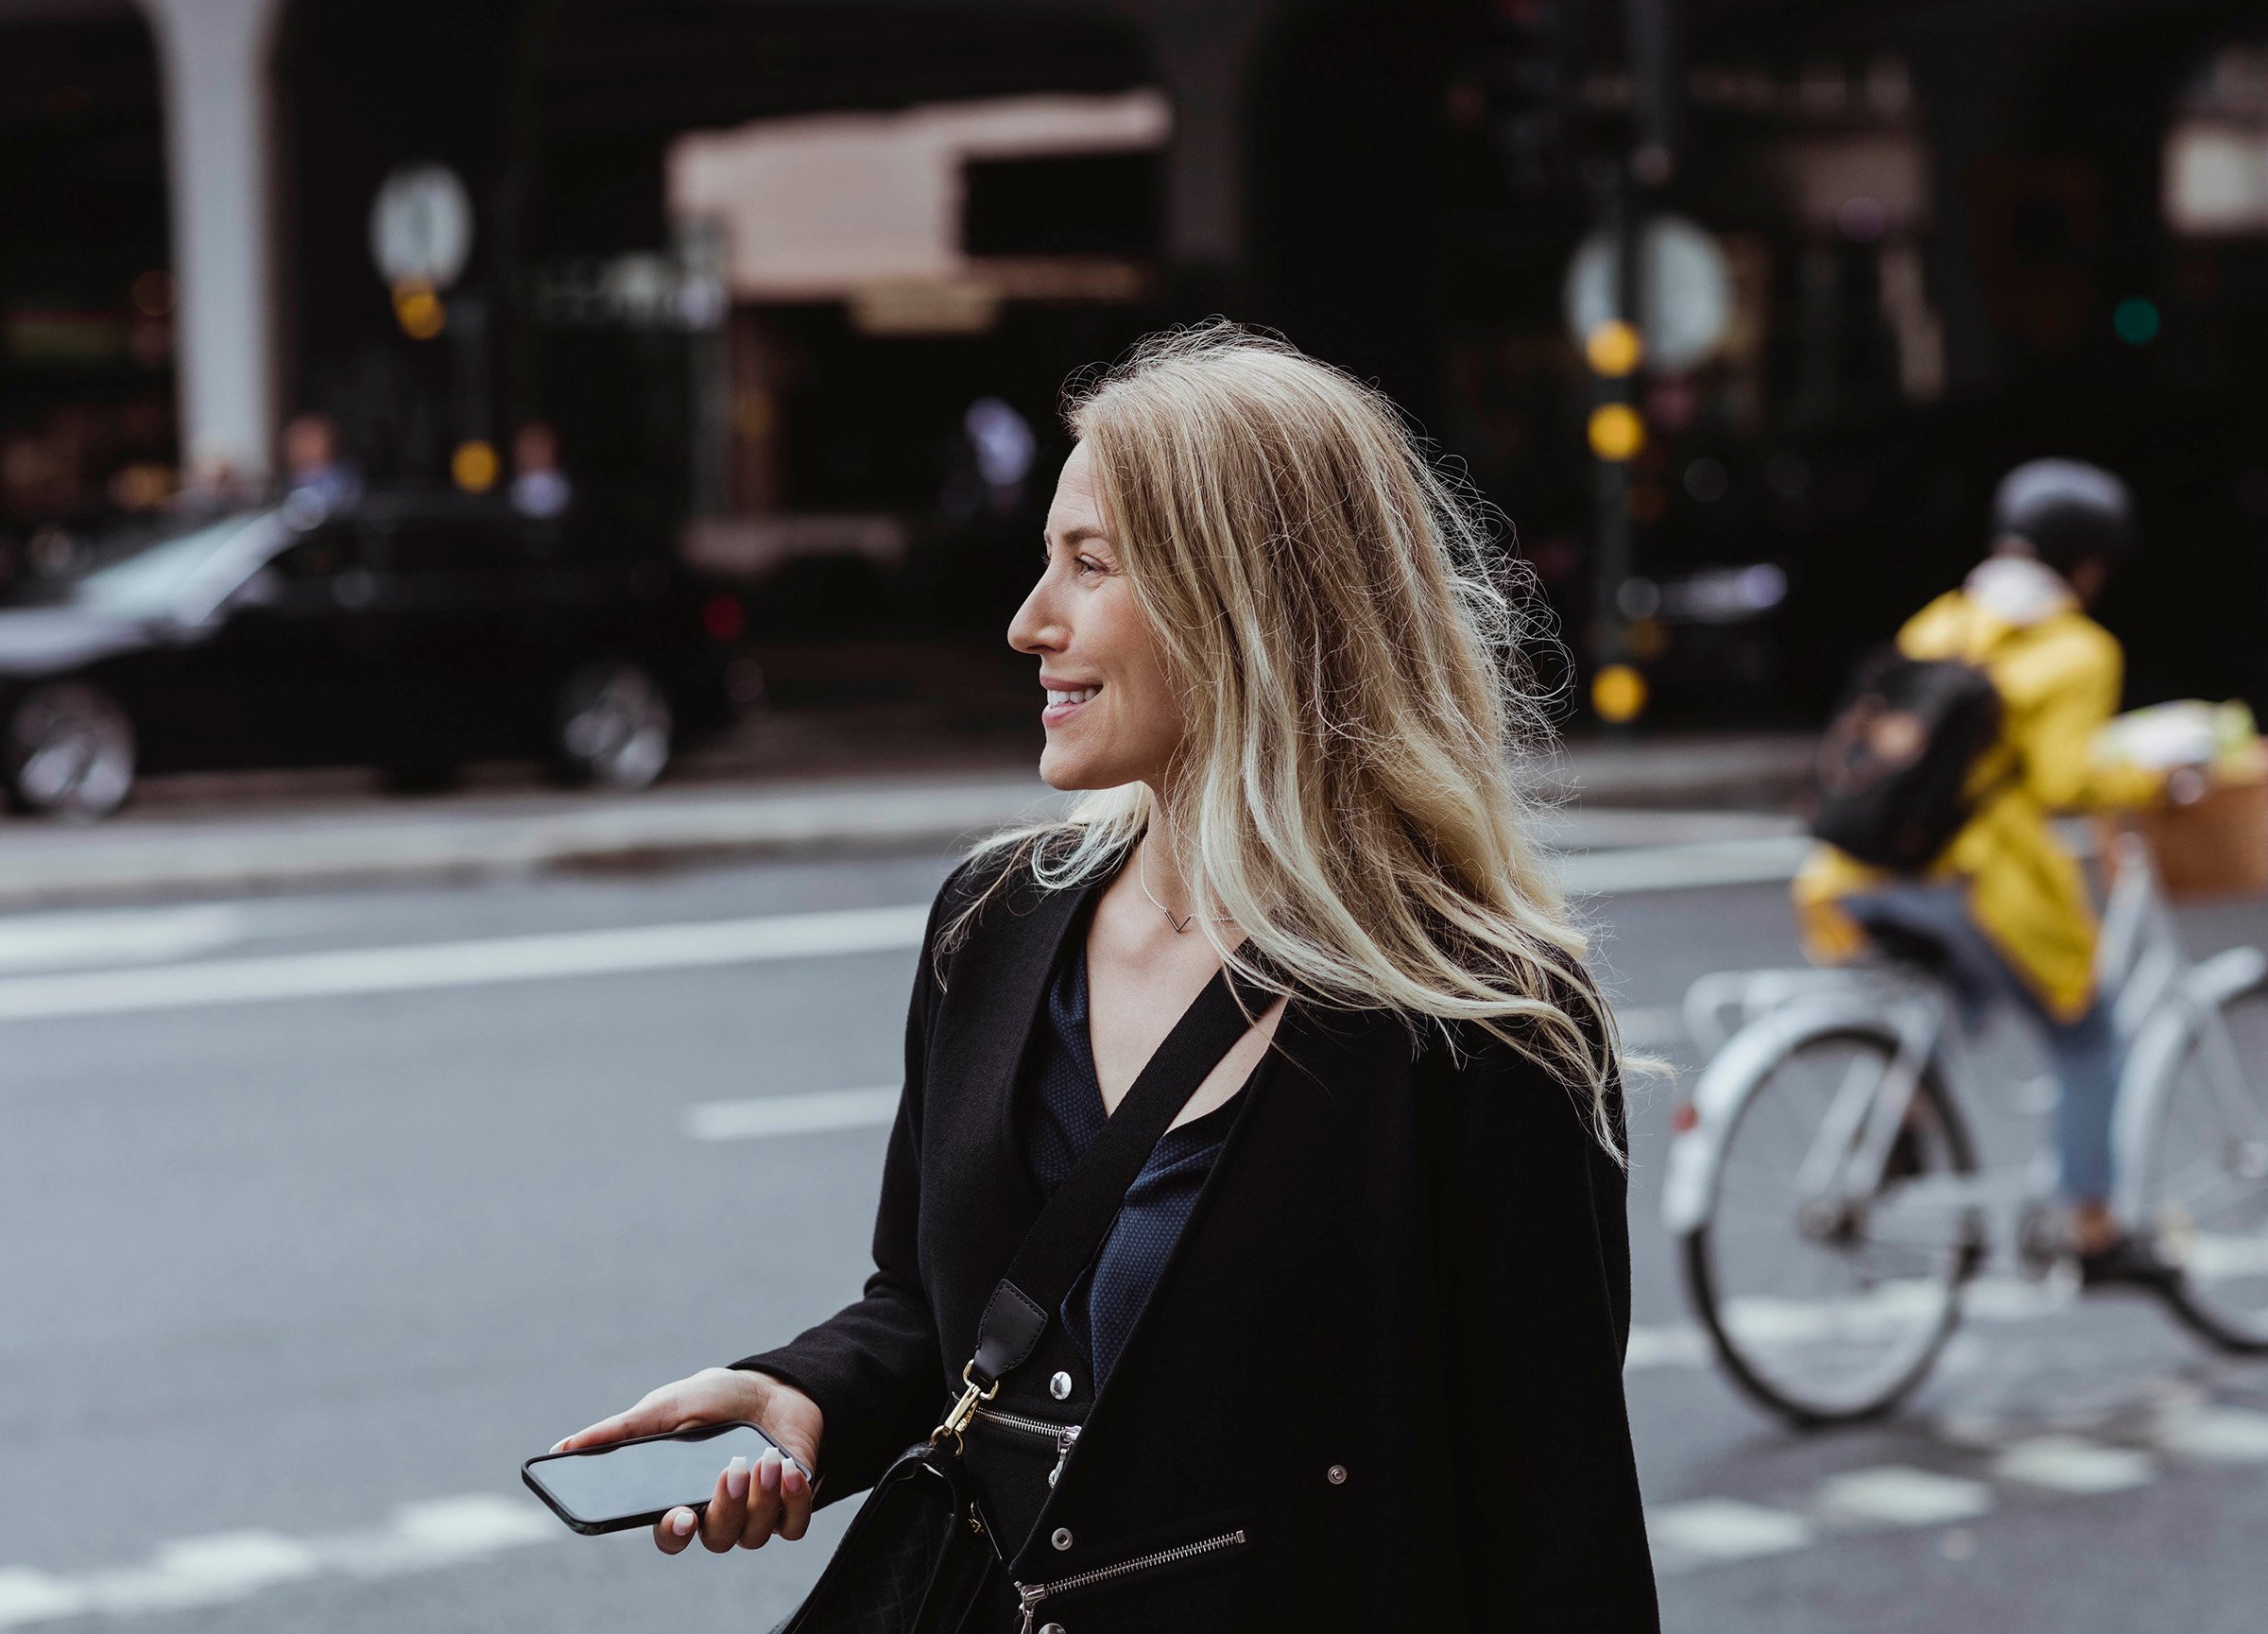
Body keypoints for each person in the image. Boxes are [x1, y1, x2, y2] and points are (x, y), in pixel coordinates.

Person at [558, 324, 1659, 1632]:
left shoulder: (1486, 1016)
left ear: (1250, 602)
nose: (1032, 622)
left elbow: (1561, 1529)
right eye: (1046, 563)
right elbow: (931, 1306)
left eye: (1090, 564)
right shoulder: (994, 922)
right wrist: (810, 1398)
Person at [1794, 457, 2193, 1284]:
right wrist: (2158, 778)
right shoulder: (2080, 651)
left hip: (1857, 872)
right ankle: (2093, 1234)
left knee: (1955, 990)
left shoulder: (1940, 621)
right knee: (2086, 1032)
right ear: (2088, 563)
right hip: (1971, 885)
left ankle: (1901, 1117)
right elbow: (2062, 781)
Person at [509, 421, 573, 519]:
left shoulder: (564, 493)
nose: (532, 452)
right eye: (526, 444)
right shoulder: (512, 491)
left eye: (538, 444)